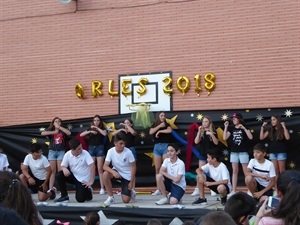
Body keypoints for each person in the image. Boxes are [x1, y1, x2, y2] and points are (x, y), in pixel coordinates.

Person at [55, 138, 95, 203]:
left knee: (80, 199)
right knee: (59, 175)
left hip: (83, 180)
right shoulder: (67, 154)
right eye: (79, 149)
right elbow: (62, 166)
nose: (81, 149)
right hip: (74, 176)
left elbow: (92, 166)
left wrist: (91, 181)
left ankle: (88, 191)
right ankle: (64, 196)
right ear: (73, 150)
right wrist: (64, 168)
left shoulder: (85, 153)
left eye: (81, 147)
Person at [223, 112, 253, 196]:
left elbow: (251, 137)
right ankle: (233, 190)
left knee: (246, 171)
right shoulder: (231, 128)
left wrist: (243, 128)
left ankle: (250, 190)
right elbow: (224, 137)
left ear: (239, 119)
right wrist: (225, 127)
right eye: (233, 118)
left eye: (235, 118)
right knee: (235, 171)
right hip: (234, 152)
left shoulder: (244, 127)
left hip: (243, 152)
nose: (234, 119)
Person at [103, 132, 136, 205]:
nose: (123, 145)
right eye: (121, 143)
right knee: (105, 174)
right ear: (115, 143)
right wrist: (113, 172)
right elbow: (105, 166)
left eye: (124, 143)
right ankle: (111, 197)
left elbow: (133, 167)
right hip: (117, 172)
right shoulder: (110, 151)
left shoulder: (128, 152)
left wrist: (131, 182)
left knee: (126, 200)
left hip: (127, 175)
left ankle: (131, 192)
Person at [191, 116, 219, 197]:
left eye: (206, 121)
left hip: (211, 155)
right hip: (203, 154)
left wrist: (211, 134)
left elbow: (216, 142)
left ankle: (213, 188)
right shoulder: (201, 131)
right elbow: (196, 142)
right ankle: (197, 188)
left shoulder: (213, 131)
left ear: (209, 123)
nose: (204, 123)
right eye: (203, 122)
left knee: (212, 172)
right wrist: (199, 132)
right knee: (200, 171)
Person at [41, 117, 71, 190]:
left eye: (59, 121)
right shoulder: (50, 130)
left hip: (61, 151)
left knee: (60, 170)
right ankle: (51, 188)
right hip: (52, 151)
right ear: (53, 123)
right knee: (52, 170)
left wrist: (59, 127)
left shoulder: (62, 130)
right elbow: (42, 133)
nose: (57, 122)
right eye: (56, 121)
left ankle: (62, 189)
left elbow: (69, 133)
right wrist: (54, 132)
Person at [80, 115, 107, 195]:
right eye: (95, 120)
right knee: (91, 168)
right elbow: (82, 135)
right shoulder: (90, 129)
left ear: (100, 122)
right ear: (93, 121)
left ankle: (102, 188)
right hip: (91, 148)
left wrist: (97, 128)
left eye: (98, 120)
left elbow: (104, 134)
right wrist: (90, 131)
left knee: (100, 169)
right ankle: (89, 186)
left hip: (100, 148)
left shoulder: (102, 129)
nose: (96, 122)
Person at [149, 111, 172, 196]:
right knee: (157, 168)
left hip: (165, 146)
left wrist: (160, 132)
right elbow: (151, 132)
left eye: (164, 115)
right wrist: (159, 127)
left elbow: (169, 131)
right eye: (161, 115)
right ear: (158, 116)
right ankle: (158, 188)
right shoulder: (154, 124)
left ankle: (167, 188)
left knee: (165, 167)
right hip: (157, 147)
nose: (163, 117)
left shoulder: (167, 124)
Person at [112, 118, 137, 190]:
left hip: (131, 150)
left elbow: (133, 133)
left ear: (131, 124)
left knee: (132, 169)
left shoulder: (131, 131)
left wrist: (127, 126)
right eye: (125, 123)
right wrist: (120, 129)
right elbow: (113, 134)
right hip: (123, 150)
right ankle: (124, 188)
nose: (126, 124)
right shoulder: (121, 132)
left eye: (128, 123)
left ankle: (133, 188)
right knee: (124, 169)